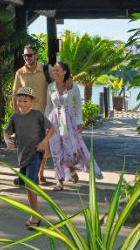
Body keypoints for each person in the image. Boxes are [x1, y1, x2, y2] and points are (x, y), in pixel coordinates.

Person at [45, 61, 102, 190]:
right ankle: (59, 181)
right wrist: (45, 124)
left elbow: (78, 106)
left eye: (57, 70)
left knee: (71, 150)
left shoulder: (73, 86)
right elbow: (48, 106)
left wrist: (80, 122)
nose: (54, 72)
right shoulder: (50, 87)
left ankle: (71, 169)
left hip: (69, 120)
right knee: (55, 150)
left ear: (64, 71)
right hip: (54, 120)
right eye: (53, 70)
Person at [4, 86, 54, 227]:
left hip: (35, 153)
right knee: (25, 182)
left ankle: (34, 217)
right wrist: (8, 140)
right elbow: (6, 132)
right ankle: (23, 181)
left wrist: (44, 142)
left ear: (31, 101)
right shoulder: (15, 117)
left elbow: (51, 128)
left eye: (25, 101)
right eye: (19, 101)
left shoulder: (37, 115)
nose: (22, 104)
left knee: (30, 185)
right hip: (22, 155)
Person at [11, 44, 51, 185]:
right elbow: (15, 94)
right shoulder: (19, 73)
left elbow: (57, 84)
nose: (27, 58)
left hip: (43, 113)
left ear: (36, 55)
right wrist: (16, 114)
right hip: (25, 115)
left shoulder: (46, 70)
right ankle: (28, 174)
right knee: (26, 145)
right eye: (24, 55)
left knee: (43, 145)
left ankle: (40, 173)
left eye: (29, 55)